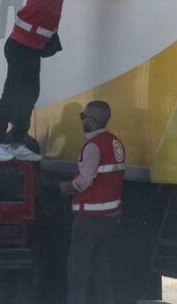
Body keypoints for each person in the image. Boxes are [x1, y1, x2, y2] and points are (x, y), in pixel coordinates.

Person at [0, 0, 128, 146]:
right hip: (23, 47)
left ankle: (11, 142)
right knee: (18, 95)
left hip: (24, 45)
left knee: (24, 95)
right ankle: (2, 144)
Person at [59, 101, 125, 304]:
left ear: (93, 121)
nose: (81, 120)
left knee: (78, 268)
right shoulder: (115, 142)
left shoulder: (93, 146)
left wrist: (67, 187)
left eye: (83, 116)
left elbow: (85, 181)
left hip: (89, 217)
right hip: (109, 217)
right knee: (100, 265)